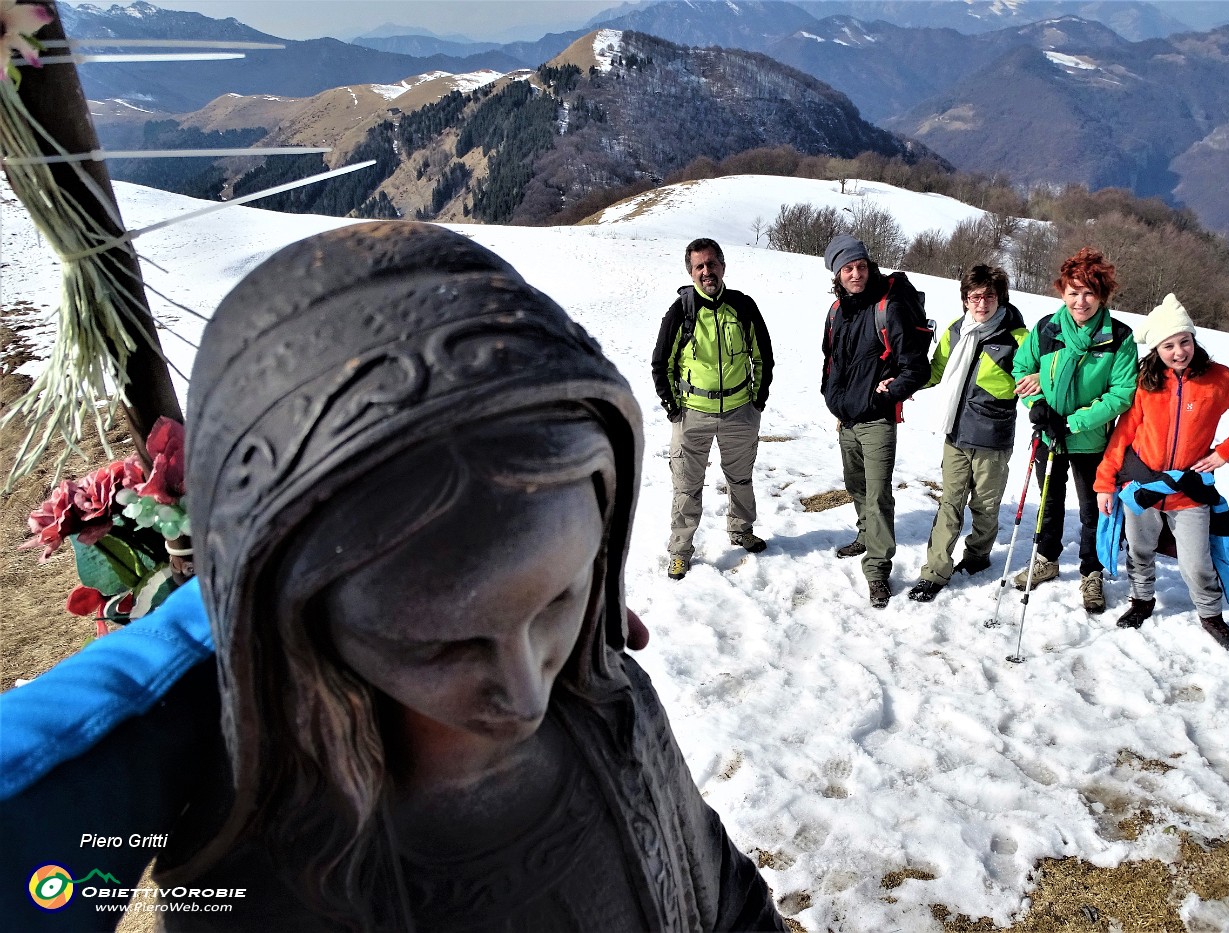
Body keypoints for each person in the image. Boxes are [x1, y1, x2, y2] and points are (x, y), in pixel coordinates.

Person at [0, 223, 784, 931]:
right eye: (443, 644)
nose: (523, 693)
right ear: (297, 621)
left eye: (558, 597)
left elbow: (725, 899)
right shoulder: (279, 877)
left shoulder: (612, 709)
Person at [1095, 294, 1229, 651]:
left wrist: (1226, 452)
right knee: (1139, 549)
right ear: (1157, 350)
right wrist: (1105, 483)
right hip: (1142, 486)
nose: (1179, 352)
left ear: (1194, 339)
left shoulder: (1218, 379)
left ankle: (1210, 615)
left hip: (1187, 490)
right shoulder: (1147, 384)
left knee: (1196, 561)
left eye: (1184, 342)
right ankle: (1142, 600)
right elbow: (1124, 434)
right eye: (1169, 346)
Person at [1011, 247, 1137, 613]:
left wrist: (1072, 421)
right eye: (1072, 291)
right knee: (1048, 503)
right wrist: (1038, 409)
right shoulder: (1047, 329)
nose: (1080, 301)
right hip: (1048, 435)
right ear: (1061, 291)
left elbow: (1121, 394)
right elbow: (1022, 369)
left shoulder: (1118, 337)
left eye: (1088, 293)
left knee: (1091, 511)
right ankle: (1047, 559)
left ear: (1101, 295)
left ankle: (1091, 572)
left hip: (1090, 440)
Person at [652, 238, 774, 581]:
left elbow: (762, 355)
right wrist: (673, 406)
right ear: (691, 273)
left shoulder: (742, 306)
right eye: (699, 266)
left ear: (722, 265)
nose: (707, 271)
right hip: (692, 414)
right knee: (686, 485)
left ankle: (741, 531)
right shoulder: (682, 312)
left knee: (741, 479)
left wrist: (757, 400)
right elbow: (662, 364)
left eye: (711, 264)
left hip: (739, 411)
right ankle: (680, 550)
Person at [820, 235, 932, 609]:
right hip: (846, 418)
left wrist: (887, 393)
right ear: (837, 274)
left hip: (877, 420)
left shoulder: (890, 307)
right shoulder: (837, 311)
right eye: (848, 269)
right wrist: (832, 398)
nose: (856, 274)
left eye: (861, 266)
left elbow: (917, 367)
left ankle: (878, 569)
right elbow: (831, 359)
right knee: (855, 485)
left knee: (878, 492)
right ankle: (866, 535)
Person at [909, 265, 1028, 602]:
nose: (982, 303)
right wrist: (902, 384)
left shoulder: (1018, 338)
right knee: (950, 504)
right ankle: (934, 573)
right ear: (965, 300)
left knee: (986, 507)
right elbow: (936, 371)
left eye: (989, 296)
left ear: (999, 298)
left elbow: (1031, 385)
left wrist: (1042, 407)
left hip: (993, 438)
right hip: (956, 434)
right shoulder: (956, 330)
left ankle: (977, 556)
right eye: (975, 296)